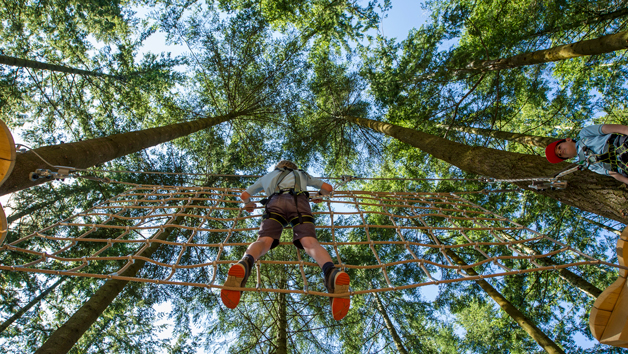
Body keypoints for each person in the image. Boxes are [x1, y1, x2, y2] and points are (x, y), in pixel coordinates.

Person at [221, 160, 351, 320]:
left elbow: (244, 195)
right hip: (300, 203)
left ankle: (245, 263)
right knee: (310, 243)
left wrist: (249, 204)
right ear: (294, 168)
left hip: (275, 203)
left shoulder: (268, 176)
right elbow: (328, 188)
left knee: (264, 241)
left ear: (277, 167)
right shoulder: (302, 174)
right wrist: (319, 196)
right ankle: (331, 272)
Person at [545, 124, 628, 185]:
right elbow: (612, 173)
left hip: (622, 145)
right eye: (560, 155)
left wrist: (625, 130)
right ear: (569, 157)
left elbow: (605, 129)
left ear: (568, 140)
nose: (560, 152)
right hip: (623, 166)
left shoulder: (584, 134)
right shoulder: (588, 165)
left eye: (559, 147)